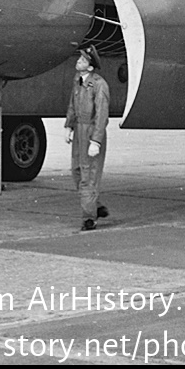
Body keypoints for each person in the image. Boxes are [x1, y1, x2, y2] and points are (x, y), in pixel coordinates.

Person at [65, 45, 110, 231]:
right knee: (76, 170)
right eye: (79, 59)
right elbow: (72, 105)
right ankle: (95, 206)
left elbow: (101, 115)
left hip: (91, 131)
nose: (79, 61)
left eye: (83, 60)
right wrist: (68, 125)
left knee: (88, 176)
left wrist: (96, 140)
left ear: (90, 67)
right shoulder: (78, 80)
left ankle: (89, 218)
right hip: (78, 130)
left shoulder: (99, 85)